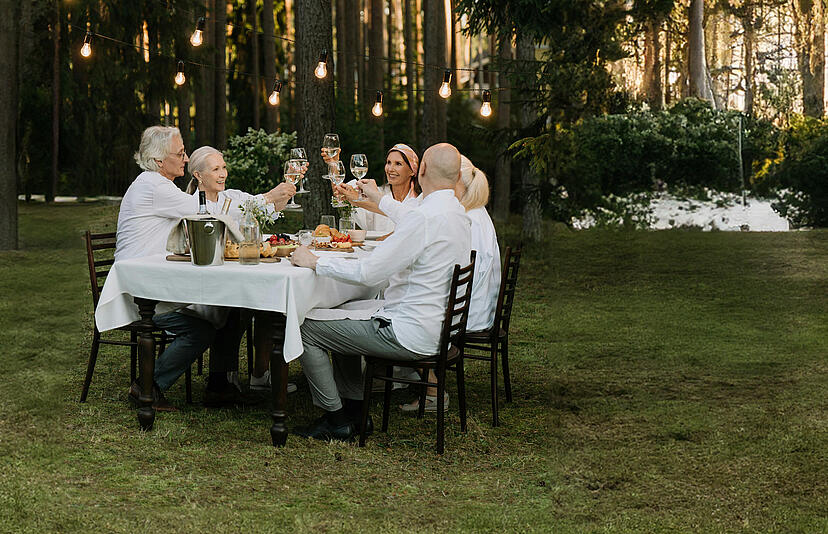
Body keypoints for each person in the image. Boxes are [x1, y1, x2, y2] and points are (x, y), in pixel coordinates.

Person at [289, 143, 471, 441]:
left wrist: (315, 262)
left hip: (406, 332)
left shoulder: (424, 219)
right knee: (335, 314)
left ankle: (335, 419)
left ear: (421, 169)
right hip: (435, 329)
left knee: (305, 327)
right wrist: (378, 199)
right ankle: (356, 412)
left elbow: (369, 273)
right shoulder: (455, 213)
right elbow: (408, 213)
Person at [350, 155, 502, 413]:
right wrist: (372, 199)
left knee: (405, 300)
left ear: (455, 184)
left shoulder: (465, 219)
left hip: (464, 313)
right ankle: (394, 373)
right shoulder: (468, 213)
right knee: (407, 295)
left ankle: (410, 379)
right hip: (467, 305)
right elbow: (412, 217)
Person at [184, 145, 297, 394]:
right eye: (215, 169)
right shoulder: (193, 205)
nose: (223, 173)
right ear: (198, 176)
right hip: (203, 283)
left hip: (233, 276)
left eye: (223, 167)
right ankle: (224, 381)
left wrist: (288, 187)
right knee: (241, 306)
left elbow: (265, 208)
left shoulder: (230, 196)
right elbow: (254, 205)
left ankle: (251, 375)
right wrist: (270, 195)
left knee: (265, 305)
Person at [321, 143, 420, 232]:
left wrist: (356, 199)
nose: (390, 169)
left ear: (412, 171)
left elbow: (406, 217)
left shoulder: (420, 200)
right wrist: (333, 164)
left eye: (398, 164)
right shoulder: (378, 192)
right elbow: (341, 194)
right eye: (388, 162)